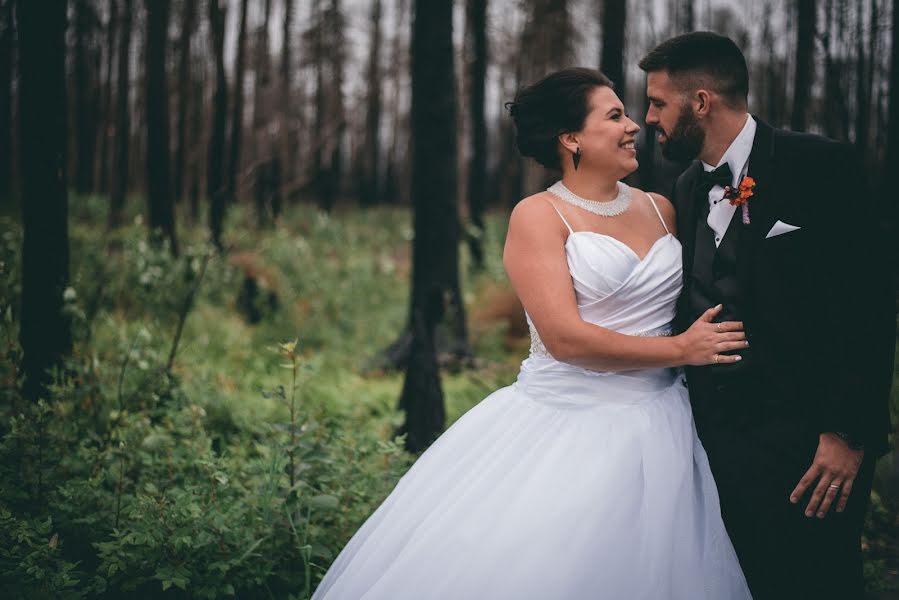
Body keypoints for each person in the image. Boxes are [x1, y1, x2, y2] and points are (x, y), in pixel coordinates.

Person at [311, 68, 751, 599]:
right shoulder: (539, 216)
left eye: (627, 113)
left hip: (667, 422)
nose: (633, 125)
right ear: (571, 139)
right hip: (570, 423)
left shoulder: (662, 209)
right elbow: (565, 339)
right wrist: (680, 350)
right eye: (614, 116)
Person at [639, 31, 895, 599]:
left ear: (700, 101)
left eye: (658, 103)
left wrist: (848, 432)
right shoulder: (683, 187)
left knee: (820, 583)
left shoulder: (820, 165)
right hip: (719, 445)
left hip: (812, 444)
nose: (649, 118)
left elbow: (868, 309)